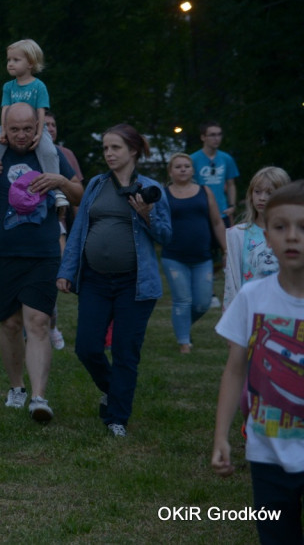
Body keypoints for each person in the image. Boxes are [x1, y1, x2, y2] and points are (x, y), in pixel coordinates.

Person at [0, 103, 82, 423]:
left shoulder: (50, 154)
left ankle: (39, 397)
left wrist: (60, 182)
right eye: (15, 129)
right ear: (4, 128)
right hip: (1, 252)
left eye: (28, 128)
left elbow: (80, 194)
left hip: (43, 253)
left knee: (38, 322)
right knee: (10, 323)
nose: (21, 135)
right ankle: (17, 387)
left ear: (37, 126)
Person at [57, 124, 171, 438]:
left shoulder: (150, 188)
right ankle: (113, 390)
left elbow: (166, 236)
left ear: (133, 150)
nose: (108, 153)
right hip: (95, 280)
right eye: (106, 148)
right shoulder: (96, 184)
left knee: (125, 351)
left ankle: (117, 417)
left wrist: (146, 215)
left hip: (134, 284)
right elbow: (79, 229)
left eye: (115, 148)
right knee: (87, 347)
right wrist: (67, 271)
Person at [212, 180, 304, 545]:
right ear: (266, 237)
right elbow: (235, 370)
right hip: (267, 451)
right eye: (281, 227)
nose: (292, 237)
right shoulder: (253, 297)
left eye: (303, 227)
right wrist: (221, 436)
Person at [0, 39, 66, 207]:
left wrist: (39, 133)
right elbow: (5, 109)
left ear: (30, 63)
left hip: (36, 127)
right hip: (9, 127)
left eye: (16, 60)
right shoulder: (8, 86)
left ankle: (56, 188)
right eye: (9, 60)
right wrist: (3, 131)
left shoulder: (39, 86)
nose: (10, 64)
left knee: (49, 151)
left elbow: (41, 111)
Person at [160, 153, 226, 353]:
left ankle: (183, 328)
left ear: (193, 170)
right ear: (170, 171)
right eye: (178, 166)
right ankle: (184, 343)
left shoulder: (204, 191)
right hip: (174, 256)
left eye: (186, 166)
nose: (182, 169)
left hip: (202, 257)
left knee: (202, 302)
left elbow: (216, 222)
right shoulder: (164, 194)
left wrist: (226, 250)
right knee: (182, 300)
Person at [223, 167, 291, 311]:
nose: (262, 198)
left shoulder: (293, 234)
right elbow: (231, 283)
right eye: (257, 191)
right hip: (250, 311)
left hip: (285, 312)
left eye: (270, 193)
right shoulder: (238, 235)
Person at [43, 110, 83, 349]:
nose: (50, 128)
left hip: (58, 223)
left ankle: (52, 324)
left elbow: (77, 192)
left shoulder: (65, 154)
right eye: (45, 124)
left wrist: (80, 226)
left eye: (53, 124)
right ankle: (33, 325)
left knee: (52, 276)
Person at [191, 121, 240, 227]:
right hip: (201, 212)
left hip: (222, 211)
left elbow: (231, 184)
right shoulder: (193, 159)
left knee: (225, 243)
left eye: (219, 134)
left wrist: (232, 206)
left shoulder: (226, 158)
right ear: (203, 137)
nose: (216, 138)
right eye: (212, 135)